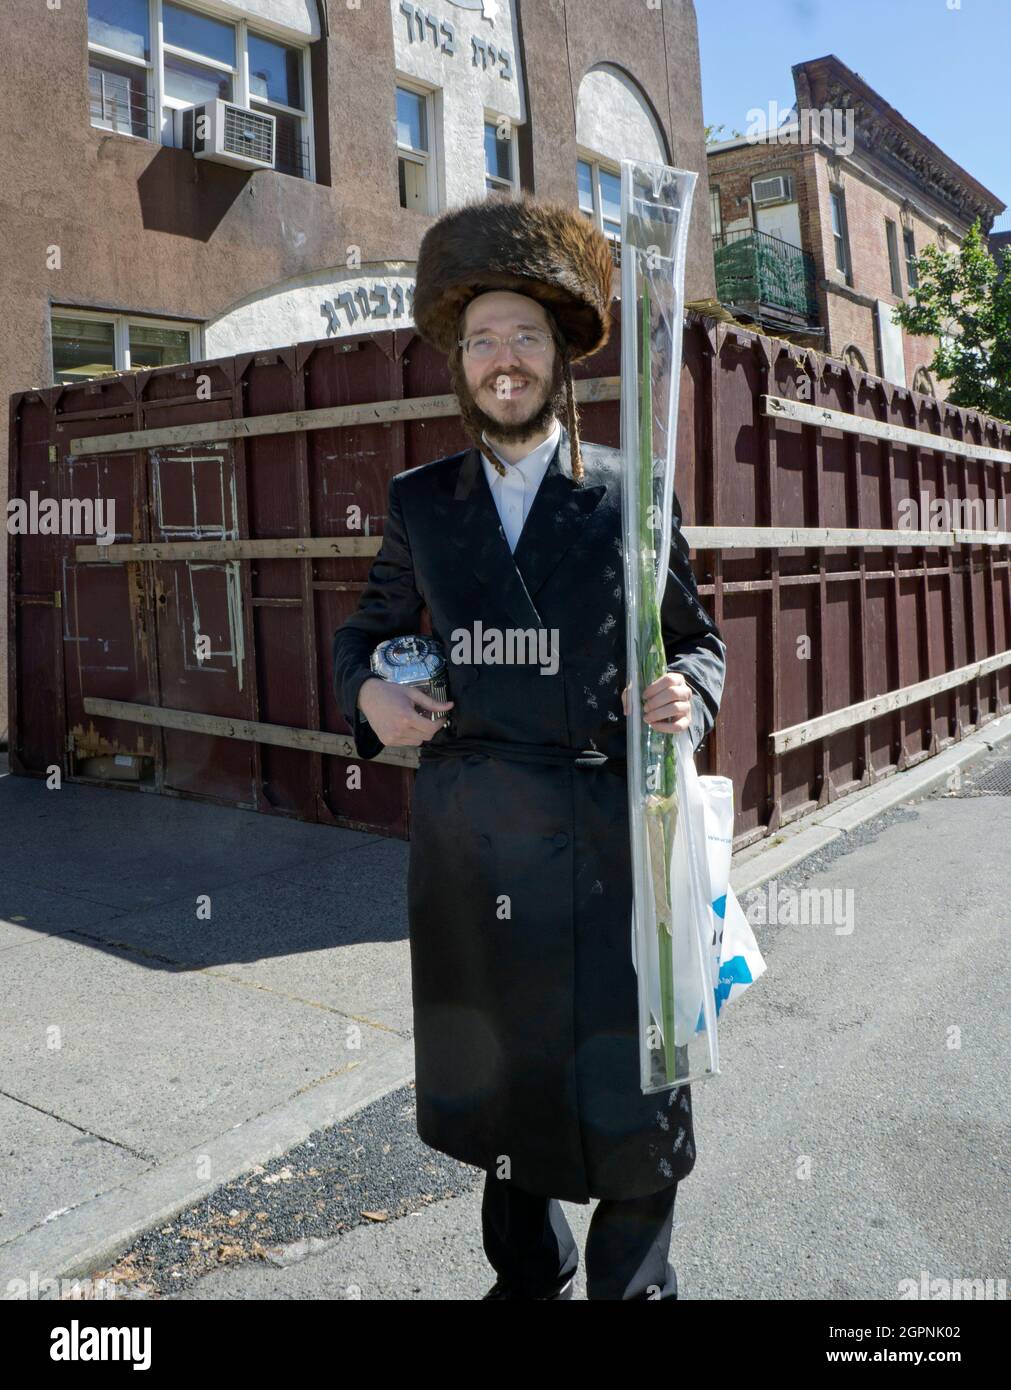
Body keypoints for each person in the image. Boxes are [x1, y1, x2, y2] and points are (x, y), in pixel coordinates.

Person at [332, 194, 726, 1300]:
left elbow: (700, 646)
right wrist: (369, 690)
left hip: (613, 846)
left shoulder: (629, 497)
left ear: (563, 358)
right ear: (459, 364)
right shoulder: (422, 502)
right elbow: (365, 630)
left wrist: (685, 695)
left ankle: (632, 1289)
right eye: (482, 340)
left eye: (526, 337)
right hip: (477, 847)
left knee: (640, 1094)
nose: (504, 360)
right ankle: (529, 1278)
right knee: (503, 1095)